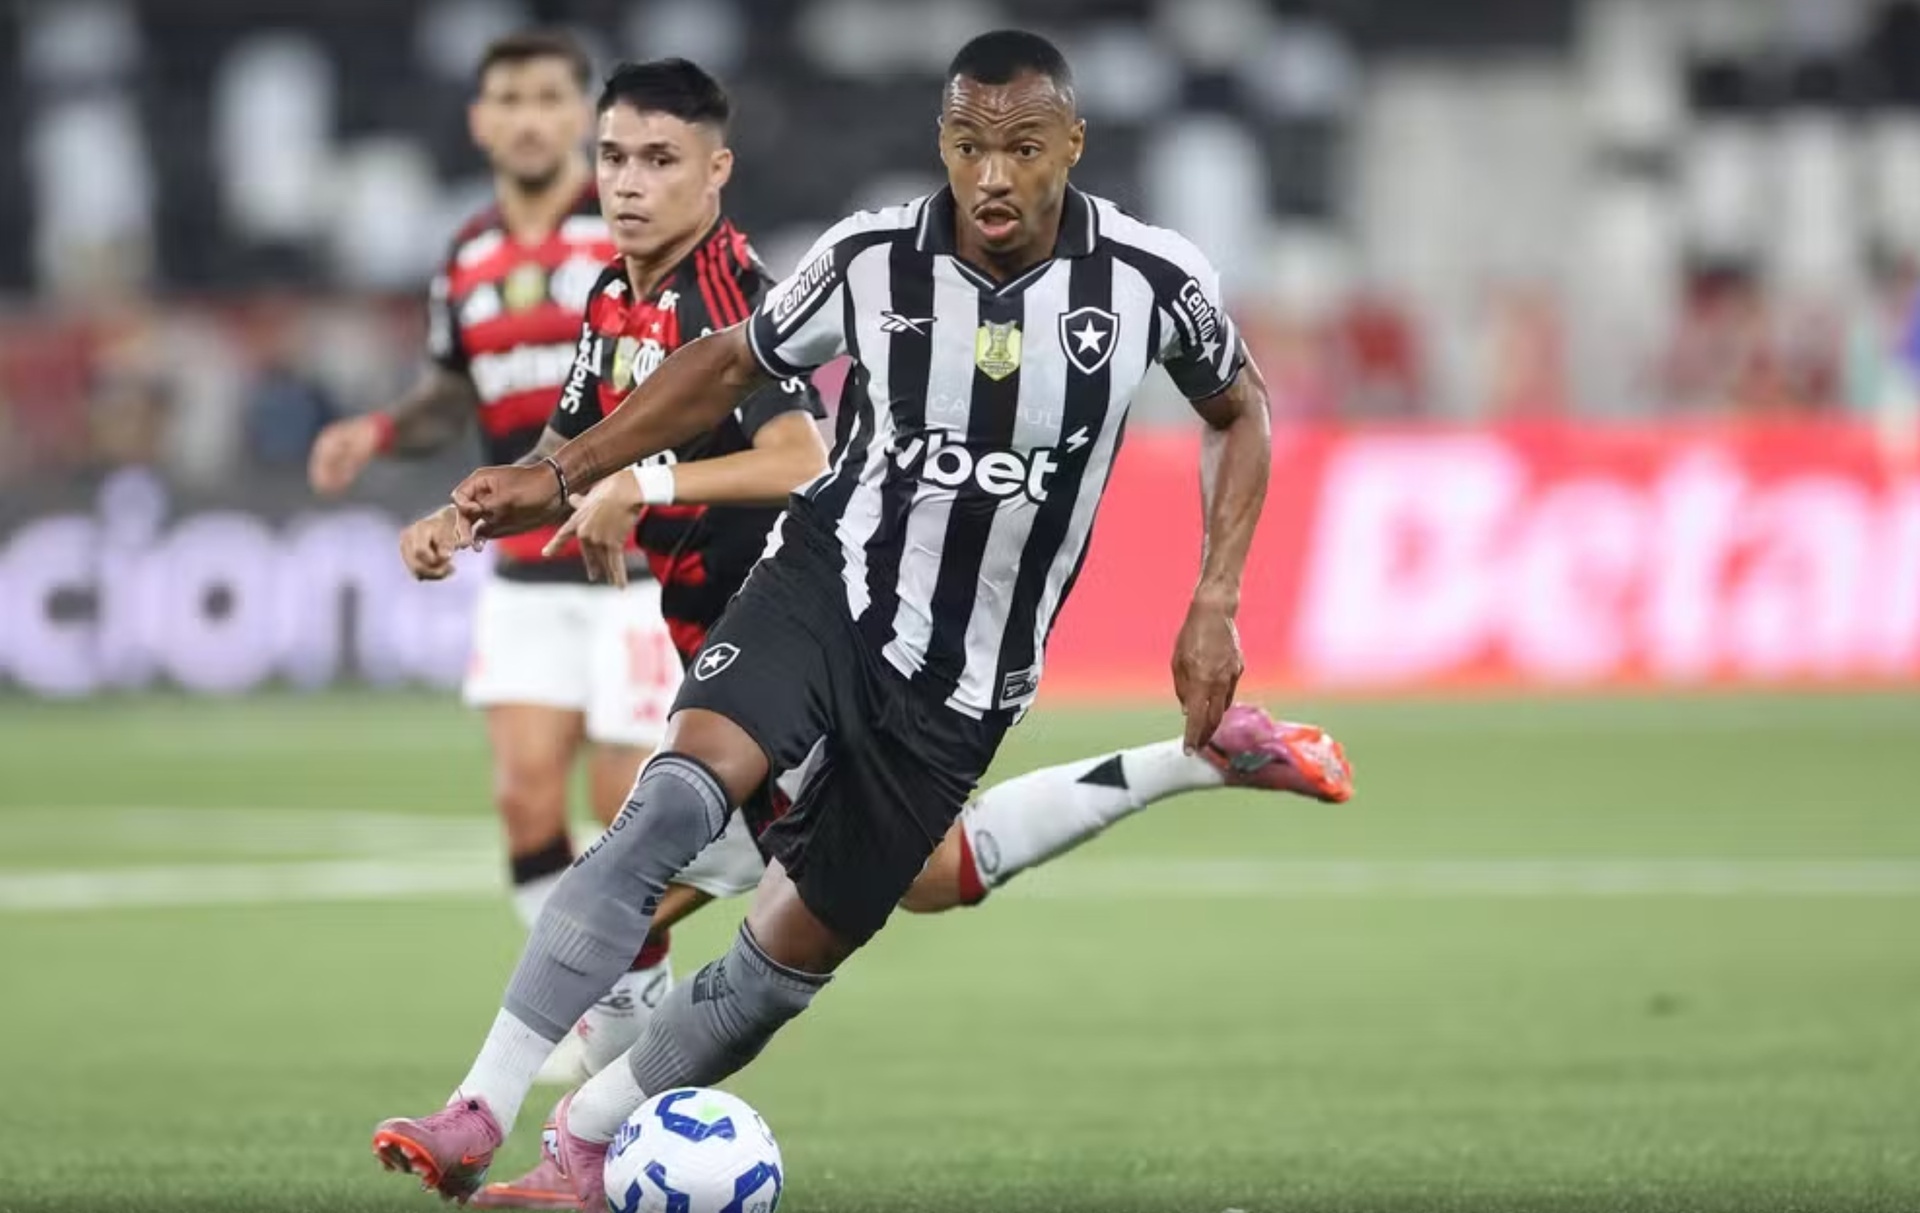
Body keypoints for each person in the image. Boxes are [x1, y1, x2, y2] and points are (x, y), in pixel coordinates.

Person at [374, 31, 1298, 1207]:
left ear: (1072, 143)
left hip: (964, 682)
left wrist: (1215, 596)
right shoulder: (869, 258)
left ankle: (586, 1148)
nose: (993, 176)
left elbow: (1240, 409)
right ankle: (476, 1110)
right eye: (968, 146)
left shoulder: (1151, 278)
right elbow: (726, 364)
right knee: (669, 802)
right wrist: (560, 475)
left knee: (786, 956)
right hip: (826, 584)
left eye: (1023, 148)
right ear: (942, 144)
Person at [306, 31, 684, 1072]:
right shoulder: (467, 253)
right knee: (523, 797)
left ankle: (620, 1012)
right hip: (523, 566)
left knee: (624, 809)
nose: (527, 119)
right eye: (507, 99)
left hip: (634, 563)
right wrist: (380, 430)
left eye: (548, 99)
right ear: (479, 121)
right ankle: (597, 1015)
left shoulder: (626, 234)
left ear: (584, 121)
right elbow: (450, 391)